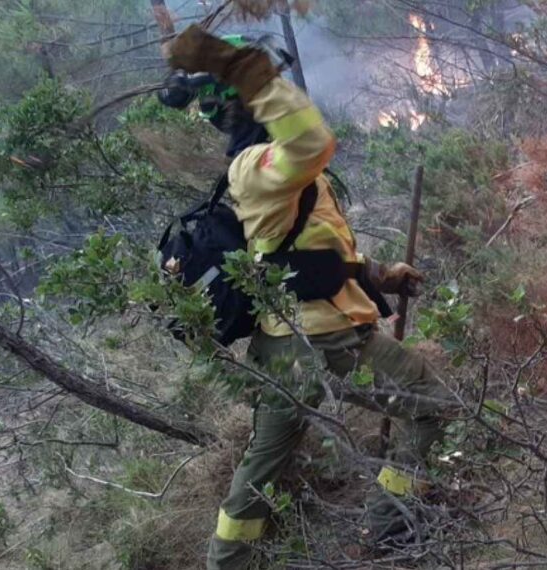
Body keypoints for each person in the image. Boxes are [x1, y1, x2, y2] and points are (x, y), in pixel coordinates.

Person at [163, 25, 455, 570]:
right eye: (266, 85)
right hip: (324, 340)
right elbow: (313, 142)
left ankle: (226, 561)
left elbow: (300, 254)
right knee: (434, 406)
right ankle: (392, 528)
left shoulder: (269, 168)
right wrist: (245, 70)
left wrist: (378, 275)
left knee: (262, 465)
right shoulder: (257, 167)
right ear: (249, 102)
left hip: (285, 344)